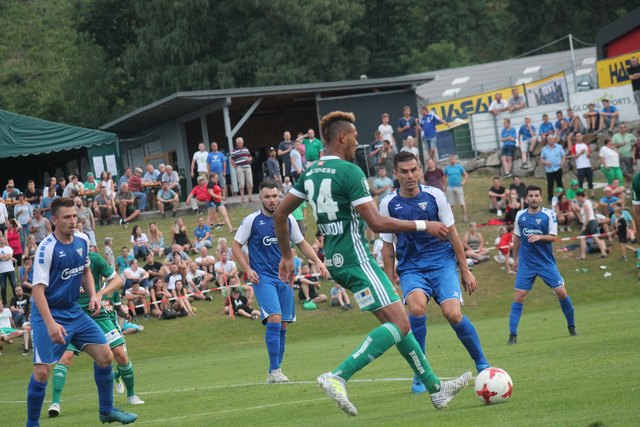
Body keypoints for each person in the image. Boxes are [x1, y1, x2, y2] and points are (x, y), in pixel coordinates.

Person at [273, 111, 471, 415]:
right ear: (342, 137)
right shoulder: (350, 172)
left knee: (397, 324)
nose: (356, 142)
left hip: (338, 262)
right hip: (357, 259)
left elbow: (280, 213)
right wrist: (424, 225)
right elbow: (376, 223)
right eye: (353, 135)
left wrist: (287, 255)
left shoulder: (310, 172)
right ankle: (337, 376)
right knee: (401, 322)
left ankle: (435, 389)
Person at [380, 152, 489, 394]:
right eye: (404, 171)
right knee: (416, 309)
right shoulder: (388, 203)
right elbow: (388, 248)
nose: (410, 175)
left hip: (442, 264)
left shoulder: (435, 196)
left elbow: (453, 235)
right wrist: (389, 283)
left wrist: (465, 270)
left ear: (419, 170)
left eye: (414, 170)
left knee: (452, 314)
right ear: (395, 174)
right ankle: (421, 374)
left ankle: (482, 362)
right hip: (412, 268)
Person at [26, 198, 137, 426]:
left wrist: (95, 295)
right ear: (54, 220)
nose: (73, 221)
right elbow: (37, 291)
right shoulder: (46, 249)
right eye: (66, 217)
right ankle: (32, 423)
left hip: (74, 311)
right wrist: (50, 324)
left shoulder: (83, 240)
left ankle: (106, 411)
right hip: (48, 314)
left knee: (106, 357)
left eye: (75, 216)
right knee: (42, 373)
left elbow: (85, 271)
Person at [233, 179, 326, 384]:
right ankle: (275, 370)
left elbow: (302, 244)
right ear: (260, 197)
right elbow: (236, 246)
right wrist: (247, 269)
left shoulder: (288, 219)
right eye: (267, 196)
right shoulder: (252, 220)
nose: (272, 200)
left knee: (283, 324)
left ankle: (274, 371)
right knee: (274, 318)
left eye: (275, 196)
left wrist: (318, 261)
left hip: (284, 278)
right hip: (263, 278)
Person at [47, 249, 145, 418]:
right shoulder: (57, 260)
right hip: (71, 317)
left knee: (120, 355)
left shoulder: (93, 259)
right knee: (65, 358)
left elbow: (117, 281)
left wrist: (98, 294)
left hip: (97, 316)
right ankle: (55, 403)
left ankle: (131, 395)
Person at [508, 185, 577, 345]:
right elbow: (517, 237)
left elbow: (553, 237)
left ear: (540, 197)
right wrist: (516, 258)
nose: (533, 198)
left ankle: (571, 326)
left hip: (545, 262)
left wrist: (539, 237)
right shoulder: (520, 215)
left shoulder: (548, 214)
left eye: (536, 195)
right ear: (526, 198)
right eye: (531, 196)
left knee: (561, 293)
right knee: (519, 296)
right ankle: (512, 336)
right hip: (526, 263)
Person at [575, 191, 608, 260]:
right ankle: (603, 252)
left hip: (590, 222)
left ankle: (583, 255)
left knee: (582, 237)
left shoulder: (585, 204)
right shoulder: (588, 202)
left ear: (580, 197)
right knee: (595, 237)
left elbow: (587, 215)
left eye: (577, 197)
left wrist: (584, 225)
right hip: (593, 221)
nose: (577, 199)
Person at [540, 135, 565, 204]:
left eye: (552, 139)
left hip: (558, 168)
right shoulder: (544, 149)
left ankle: (562, 197)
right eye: (549, 139)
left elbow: (563, 156)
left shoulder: (559, 147)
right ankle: (550, 199)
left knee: (559, 183)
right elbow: (541, 159)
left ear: (554, 140)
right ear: (547, 141)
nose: (551, 141)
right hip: (549, 169)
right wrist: (546, 162)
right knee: (550, 185)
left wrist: (562, 162)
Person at [444, 155, 468, 222]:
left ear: (455, 160)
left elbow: (465, 175)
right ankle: (452, 218)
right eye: (451, 160)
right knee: (451, 204)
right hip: (450, 187)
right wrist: (444, 185)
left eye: (453, 159)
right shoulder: (447, 168)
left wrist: (464, 181)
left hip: (459, 187)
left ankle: (465, 217)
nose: (452, 161)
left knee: (462, 203)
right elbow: (444, 177)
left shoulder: (459, 167)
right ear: (449, 160)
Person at [230, 137, 254, 203]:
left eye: (241, 142)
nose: (240, 143)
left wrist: (250, 159)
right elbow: (232, 160)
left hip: (247, 167)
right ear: (236, 143)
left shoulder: (246, 149)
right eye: (239, 142)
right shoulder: (234, 151)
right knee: (241, 183)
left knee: (250, 182)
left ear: (243, 142)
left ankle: (250, 197)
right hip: (240, 167)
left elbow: (250, 156)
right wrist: (236, 168)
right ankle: (242, 198)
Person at [572, 133, 595, 198]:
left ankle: (592, 193)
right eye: (577, 136)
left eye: (580, 136)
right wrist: (580, 153)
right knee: (581, 181)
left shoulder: (585, 145)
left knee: (590, 180)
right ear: (576, 138)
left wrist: (588, 155)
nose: (578, 137)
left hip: (587, 165)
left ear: (582, 137)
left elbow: (589, 155)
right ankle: (581, 193)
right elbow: (574, 157)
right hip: (580, 166)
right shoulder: (574, 146)